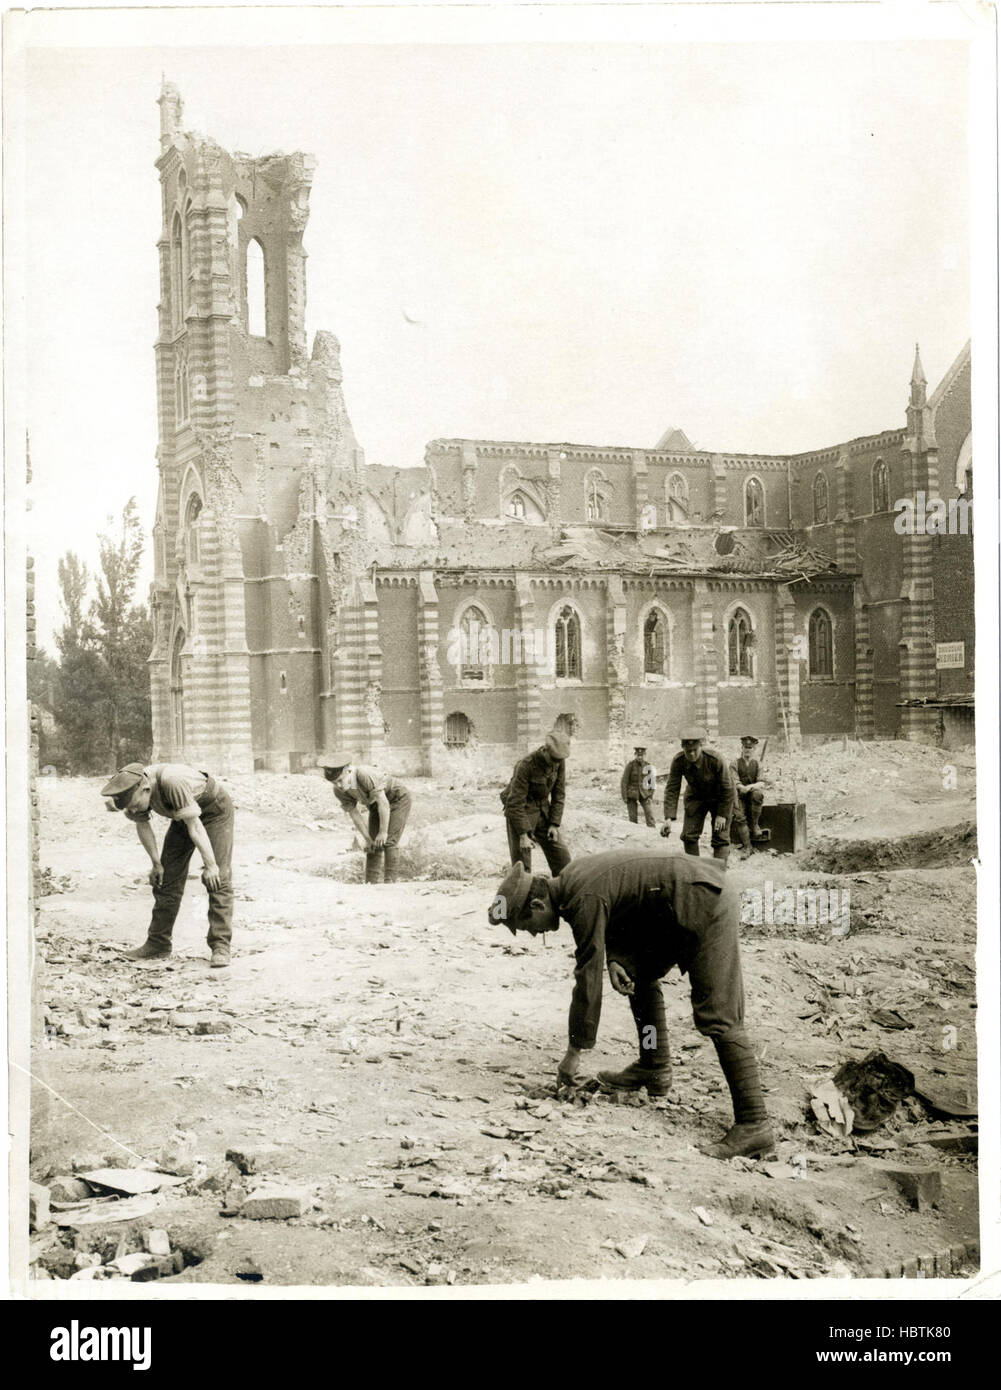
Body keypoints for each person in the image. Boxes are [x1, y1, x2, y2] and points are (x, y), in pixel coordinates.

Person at [487, 849, 774, 1161]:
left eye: (527, 925)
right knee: (639, 975)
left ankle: (753, 1123)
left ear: (538, 904)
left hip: (704, 901)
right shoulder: (572, 884)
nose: (532, 933)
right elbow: (625, 903)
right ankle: (654, 1064)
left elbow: (587, 977)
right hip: (676, 901)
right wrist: (617, 958)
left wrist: (574, 1052)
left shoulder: (581, 896)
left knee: (719, 1015)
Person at [101, 761, 234, 967]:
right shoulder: (135, 786)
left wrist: (210, 865)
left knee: (218, 878)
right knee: (166, 878)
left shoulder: (172, 781)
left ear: (146, 789)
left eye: (135, 805)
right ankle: (158, 944)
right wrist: (156, 864)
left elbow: (195, 826)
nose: (134, 809)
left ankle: (221, 946)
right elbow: (142, 824)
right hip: (184, 815)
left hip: (213, 811)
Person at [318, 754, 412, 883]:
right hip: (375, 805)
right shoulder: (338, 790)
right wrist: (367, 838)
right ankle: (370, 884)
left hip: (397, 798)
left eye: (340, 780)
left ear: (348, 770)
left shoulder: (362, 774)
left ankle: (390, 884)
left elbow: (383, 803)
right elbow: (355, 814)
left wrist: (383, 831)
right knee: (373, 844)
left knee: (389, 841)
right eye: (334, 782)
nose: (339, 785)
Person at [660, 726, 736, 865]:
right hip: (696, 797)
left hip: (720, 798)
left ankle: (717, 875)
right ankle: (696, 872)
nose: (692, 754)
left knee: (720, 837)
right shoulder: (679, 761)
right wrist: (668, 818)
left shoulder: (715, 759)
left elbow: (728, 788)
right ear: (683, 748)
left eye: (695, 750)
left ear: (701, 746)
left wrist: (722, 814)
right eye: (688, 751)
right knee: (689, 836)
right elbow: (672, 789)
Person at [501, 730, 572, 875]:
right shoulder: (525, 765)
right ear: (545, 750)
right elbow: (515, 803)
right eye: (553, 759)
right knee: (523, 867)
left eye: (559, 760)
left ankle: (561, 894)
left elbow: (559, 794)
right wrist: (523, 835)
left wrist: (553, 824)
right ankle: (522, 896)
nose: (555, 763)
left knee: (563, 861)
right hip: (520, 811)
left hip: (543, 812)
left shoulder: (559, 761)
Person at [730, 734, 767, 855]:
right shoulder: (734, 763)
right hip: (739, 794)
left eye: (750, 747)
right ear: (742, 748)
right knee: (739, 816)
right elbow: (734, 781)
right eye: (745, 747)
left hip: (751, 792)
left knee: (758, 794)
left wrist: (749, 787)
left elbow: (761, 782)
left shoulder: (758, 764)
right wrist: (741, 787)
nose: (747, 749)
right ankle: (748, 847)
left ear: (754, 749)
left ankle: (755, 824)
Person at [620, 746, 657, 827]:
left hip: (644, 794)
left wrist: (650, 796)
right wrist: (624, 796)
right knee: (632, 818)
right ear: (635, 755)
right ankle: (634, 834)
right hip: (632, 794)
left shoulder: (648, 766)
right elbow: (624, 781)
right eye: (638, 755)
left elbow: (652, 783)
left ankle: (652, 832)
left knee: (649, 814)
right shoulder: (630, 765)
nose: (640, 757)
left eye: (642, 755)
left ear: (645, 755)